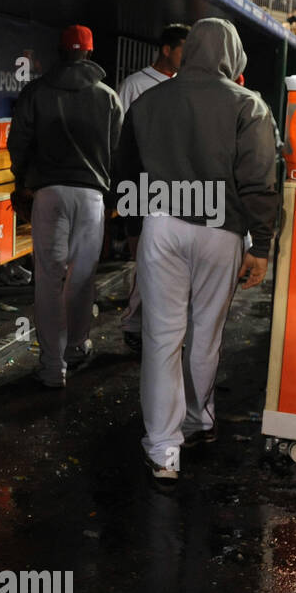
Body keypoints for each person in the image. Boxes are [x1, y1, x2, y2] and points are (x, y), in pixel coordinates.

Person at [112, 18, 278, 484]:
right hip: (221, 231)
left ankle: (163, 450)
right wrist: (260, 246)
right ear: (232, 55)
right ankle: (198, 421)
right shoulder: (249, 105)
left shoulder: (148, 100)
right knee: (205, 335)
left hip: (161, 224)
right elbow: (259, 182)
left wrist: (133, 228)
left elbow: (126, 170)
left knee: (163, 338)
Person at [8, 24, 122, 388]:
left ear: (59, 51)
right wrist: (116, 198)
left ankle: (52, 367)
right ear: (89, 53)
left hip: (48, 193)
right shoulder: (107, 96)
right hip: (91, 197)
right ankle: (75, 347)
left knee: (48, 279)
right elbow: (120, 153)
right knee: (82, 277)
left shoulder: (35, 91)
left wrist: (22, 183)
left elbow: (19, 144)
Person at [116, 23, 189, 355]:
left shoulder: (184, 87)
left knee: (166, 264)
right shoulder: (135, 84)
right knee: (144, 261)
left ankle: (152, 328)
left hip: (171, 189)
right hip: (140, 185)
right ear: (166, 49)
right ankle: (134, 324)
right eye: (182, 48)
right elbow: (119, 142)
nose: (186, 56)